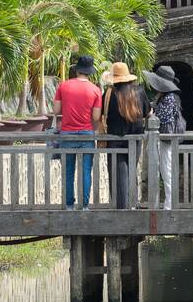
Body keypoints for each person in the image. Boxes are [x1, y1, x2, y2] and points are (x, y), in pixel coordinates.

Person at [53, 55, 102, 210]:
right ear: (90, 71)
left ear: (77, 69)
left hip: (67, 134)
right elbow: (95, 116)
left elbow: (56, 110)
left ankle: (69, 205)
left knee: (68, 171)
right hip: (87, 134)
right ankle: (85, 205)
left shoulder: (63, 86)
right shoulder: (95, 90)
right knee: (86, 171)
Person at [103, 62, 150, 209]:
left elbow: (102, 115)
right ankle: (132, 204)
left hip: (114, 138)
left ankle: (120, 206)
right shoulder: (140, 92)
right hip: (135, 138)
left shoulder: (109, 94)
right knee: (131, 170)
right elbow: (147, 113)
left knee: (117, 173)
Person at [143, 65, 185, 210]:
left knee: (167, 171)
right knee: (162, 170)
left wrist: (152, 113)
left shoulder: (170, 97)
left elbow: (163, 117)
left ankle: (169, 205)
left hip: (165, 140)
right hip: (160, 139)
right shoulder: (163, 96)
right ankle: (165, 203)